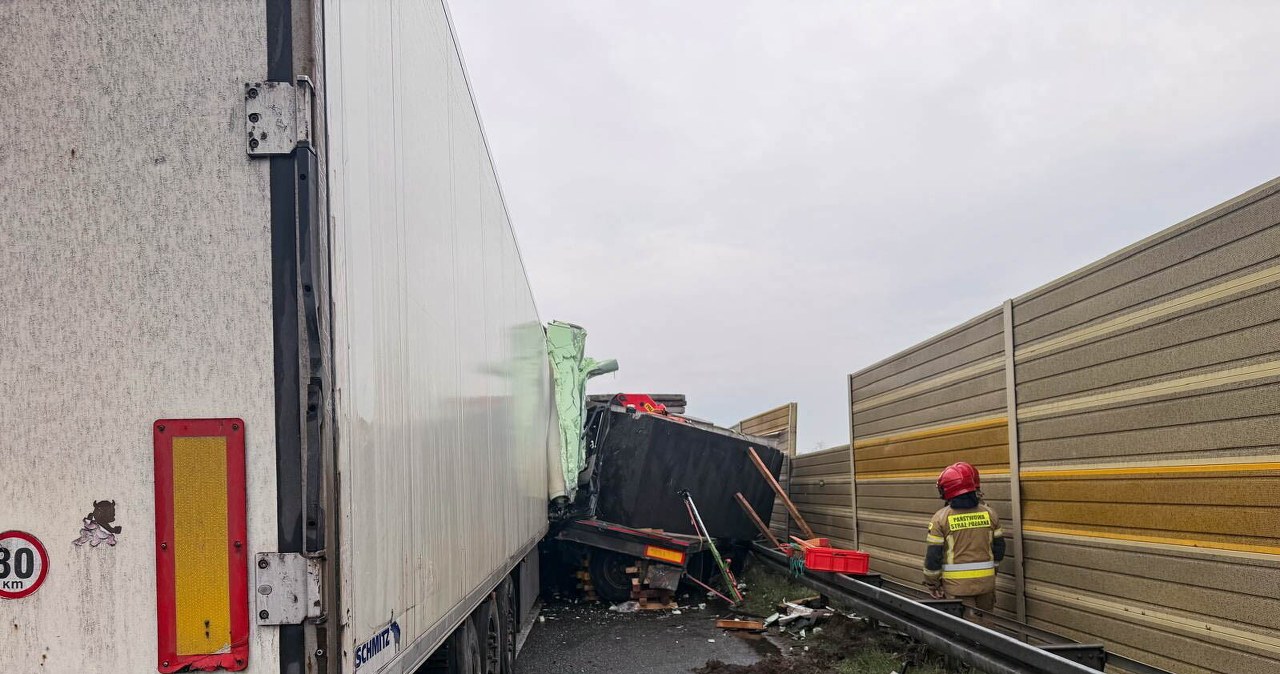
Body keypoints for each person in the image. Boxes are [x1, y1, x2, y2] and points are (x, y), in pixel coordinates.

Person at [922, 461, 1004, 625]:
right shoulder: (990, 513)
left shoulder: (940, 518)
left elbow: (933, 556)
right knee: (987, 628)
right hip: (986, 584)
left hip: (957, 587)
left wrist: (932, 583)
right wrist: (992, 570)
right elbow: (1000, 548)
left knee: (966, 631)